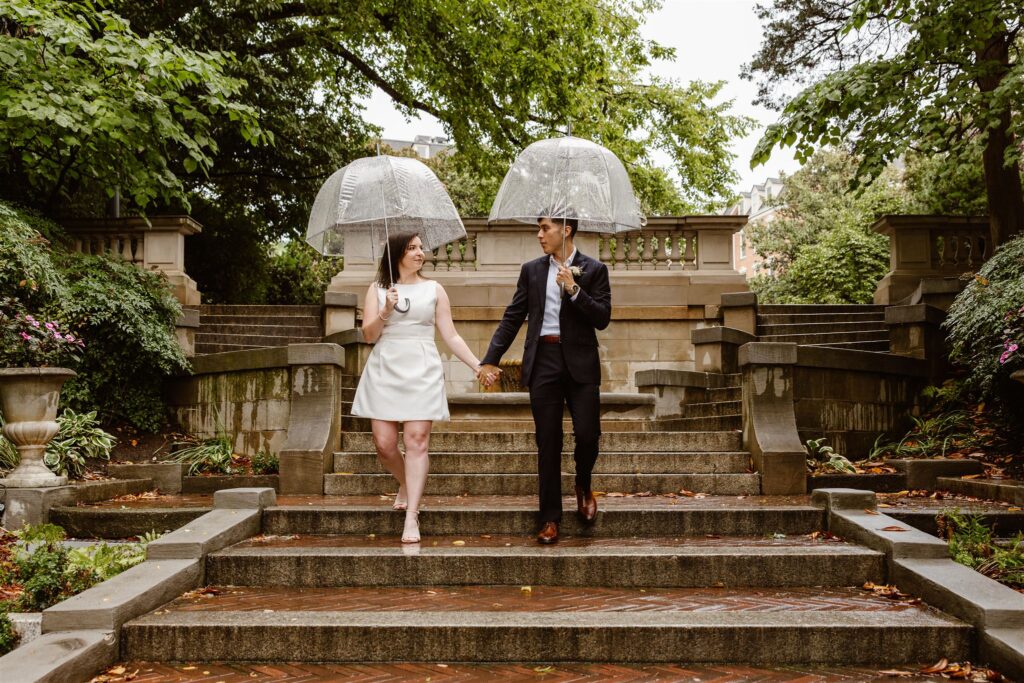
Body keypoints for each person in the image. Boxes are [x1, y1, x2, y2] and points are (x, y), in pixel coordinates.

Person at [479, 211, 611, 544]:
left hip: (580, 362)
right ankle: (549, 517)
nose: (539, 235)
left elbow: (602, 318)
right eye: (539, 229)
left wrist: (574, 290)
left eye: (545, 229)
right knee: (547, 441)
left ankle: (582, 482)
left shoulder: (595, 270)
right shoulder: (532, 271)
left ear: (565, 230)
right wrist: (490, 360)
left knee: (588, 433)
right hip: (544, 361)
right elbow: (513, 317)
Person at [351, 232, 485, 543]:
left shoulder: (434, 289)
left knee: (416, 440)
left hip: (422, 366)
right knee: (384, 445)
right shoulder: (378, 288)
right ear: (397, 254)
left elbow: (450, 336)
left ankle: (412, 515)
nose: (420, 253)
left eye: (421, 247)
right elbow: (368, 335)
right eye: (412, 248)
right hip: (385, 366)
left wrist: (477, 365)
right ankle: (406, 481)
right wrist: (385, 311)